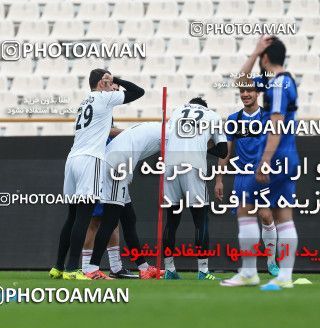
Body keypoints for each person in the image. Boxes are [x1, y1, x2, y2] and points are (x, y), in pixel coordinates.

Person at [221, 36, 300, 290]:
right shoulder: (285, 81)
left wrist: (265, 161)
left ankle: (250, 272)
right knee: (281, 215)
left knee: (251, 209)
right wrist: (256, 52)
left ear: (266, 58)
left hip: (274, 157)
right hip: (287, 155)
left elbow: (276, 122)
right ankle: (281, 276)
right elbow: (241, 80)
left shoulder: (277, 85)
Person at [49, 70, 144, 280]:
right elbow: (138, 92)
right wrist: (117, 79)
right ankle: (73, 269)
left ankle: (58, 267)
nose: (114, 86)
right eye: (110, 81)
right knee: (84, 217)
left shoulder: (85, 102)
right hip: (90, 160)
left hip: (73, 159)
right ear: (102, 83)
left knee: (72, 216)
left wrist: (111, 81)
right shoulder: (105, 97)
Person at [214, 76, 279, 277]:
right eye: (242, 91)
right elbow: (226, 151)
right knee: (246, 221)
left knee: (266, 215)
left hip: (263, 175)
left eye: (249, 91)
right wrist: (219, 179)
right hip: (242, 176)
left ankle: (271, 262)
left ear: (257, 93)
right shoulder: (234, 119)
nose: (245, 94)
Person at [84, 122, 165, 279]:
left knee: (129, 219)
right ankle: (92, 269)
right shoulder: (171, 135)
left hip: (119, 164)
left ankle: (143, 267)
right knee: (110, 221)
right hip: (117, 166)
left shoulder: (159, 129)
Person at [163, 97, 227, 280]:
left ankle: (169, 270)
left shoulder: (177, 111)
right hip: (193, 168)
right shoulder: (212, 115)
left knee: (172, 220)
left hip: (170, 167)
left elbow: (167, 138)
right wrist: (203, 146)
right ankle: (203, 271)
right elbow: (223, 151)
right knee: (201, 220)